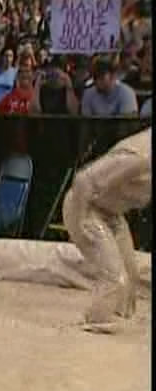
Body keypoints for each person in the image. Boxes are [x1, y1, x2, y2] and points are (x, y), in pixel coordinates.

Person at [62, 127, 151, 334]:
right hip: (85, 207)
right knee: (116, 279)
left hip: (113, 214)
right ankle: (97, 320)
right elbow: (84, 180)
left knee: (131, 276)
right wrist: (81, 220)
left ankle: (119, 316)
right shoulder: (139, 157)